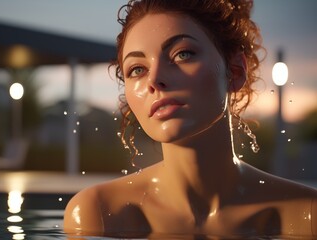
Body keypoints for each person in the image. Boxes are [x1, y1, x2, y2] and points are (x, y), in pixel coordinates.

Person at [64, 0, 317, 238]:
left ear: (236, 71)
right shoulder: (98, 214)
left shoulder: (308, 214)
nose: (154, 80)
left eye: (182, 54)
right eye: (137, 69)